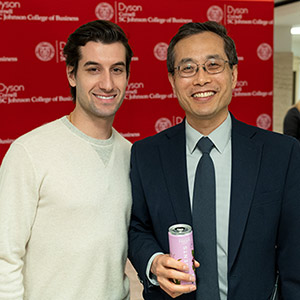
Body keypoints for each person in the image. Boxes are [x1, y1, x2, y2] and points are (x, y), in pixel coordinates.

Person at [128, 21, 300, 300]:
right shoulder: (147, 155)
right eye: (187, 68)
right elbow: (137, 226)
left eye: (213, 65)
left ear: (233, 74)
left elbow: (295, 256)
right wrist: (152, 260)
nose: (201, 79)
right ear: (172, 80)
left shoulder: (281, 154)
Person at [0, 20, 133, 300]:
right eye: (93, 69)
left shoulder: (131, 155)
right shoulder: (29, 152)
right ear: (72, 74)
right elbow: (4, 257)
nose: (107, 83)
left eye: (117, 70)